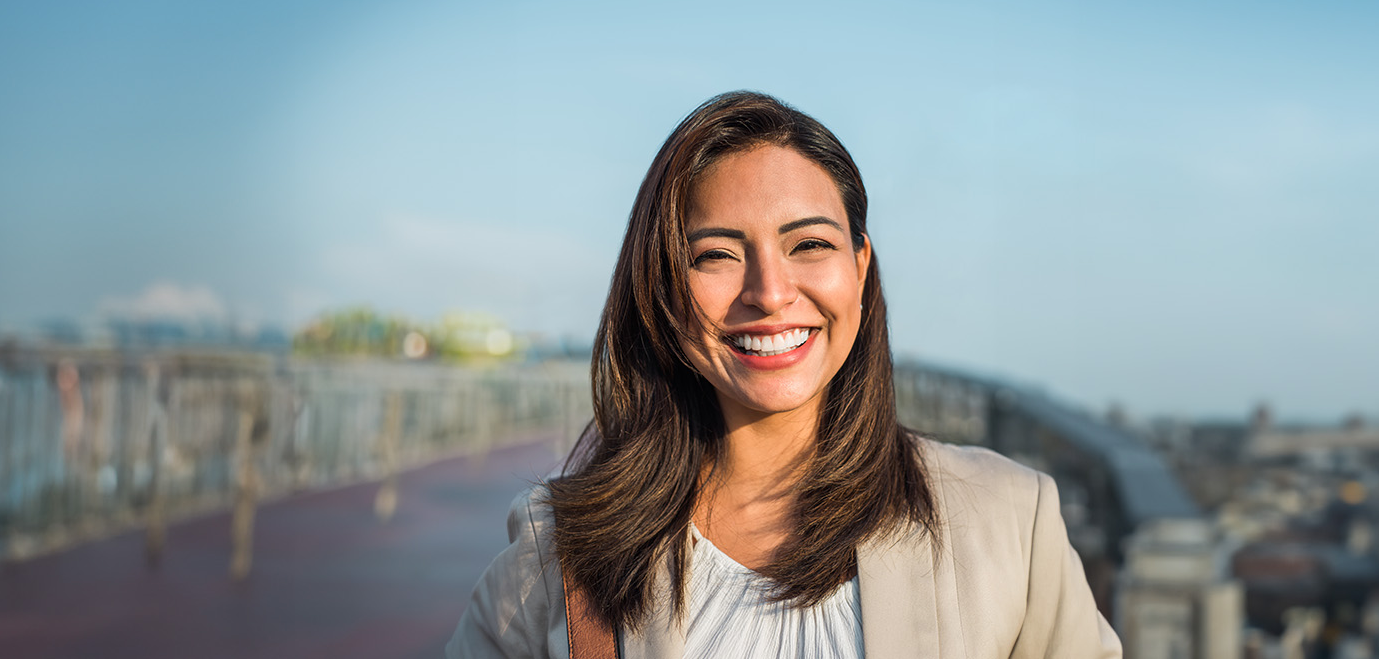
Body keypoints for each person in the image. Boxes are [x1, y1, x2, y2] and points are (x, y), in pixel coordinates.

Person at [447, 91, 1122, 659]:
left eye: (810, 245)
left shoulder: (1008, 522)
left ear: (861, 268)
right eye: (716, 254)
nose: (770, 293)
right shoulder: (559, 559)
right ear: (661, 290)